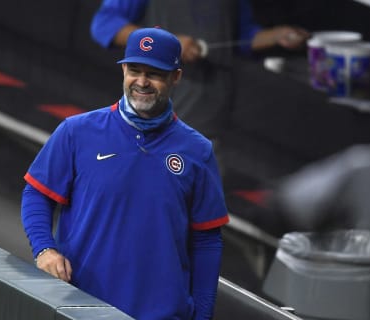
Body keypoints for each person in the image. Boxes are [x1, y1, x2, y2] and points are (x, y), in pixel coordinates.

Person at [21, 27, 230, 320]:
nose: (141, 82)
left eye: (154, 73)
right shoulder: (77, 132)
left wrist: (203, 315)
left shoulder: (198, 151)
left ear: (176, 77)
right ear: (123, 71)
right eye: (134, 70)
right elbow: (36, 194)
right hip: (79, 306)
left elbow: (207, 241)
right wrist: (44, 249)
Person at [90, 0, 309, 177]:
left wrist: (276, 36)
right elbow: (105, 24)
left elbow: (239, 37)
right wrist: (166, 42)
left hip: (210, 123)